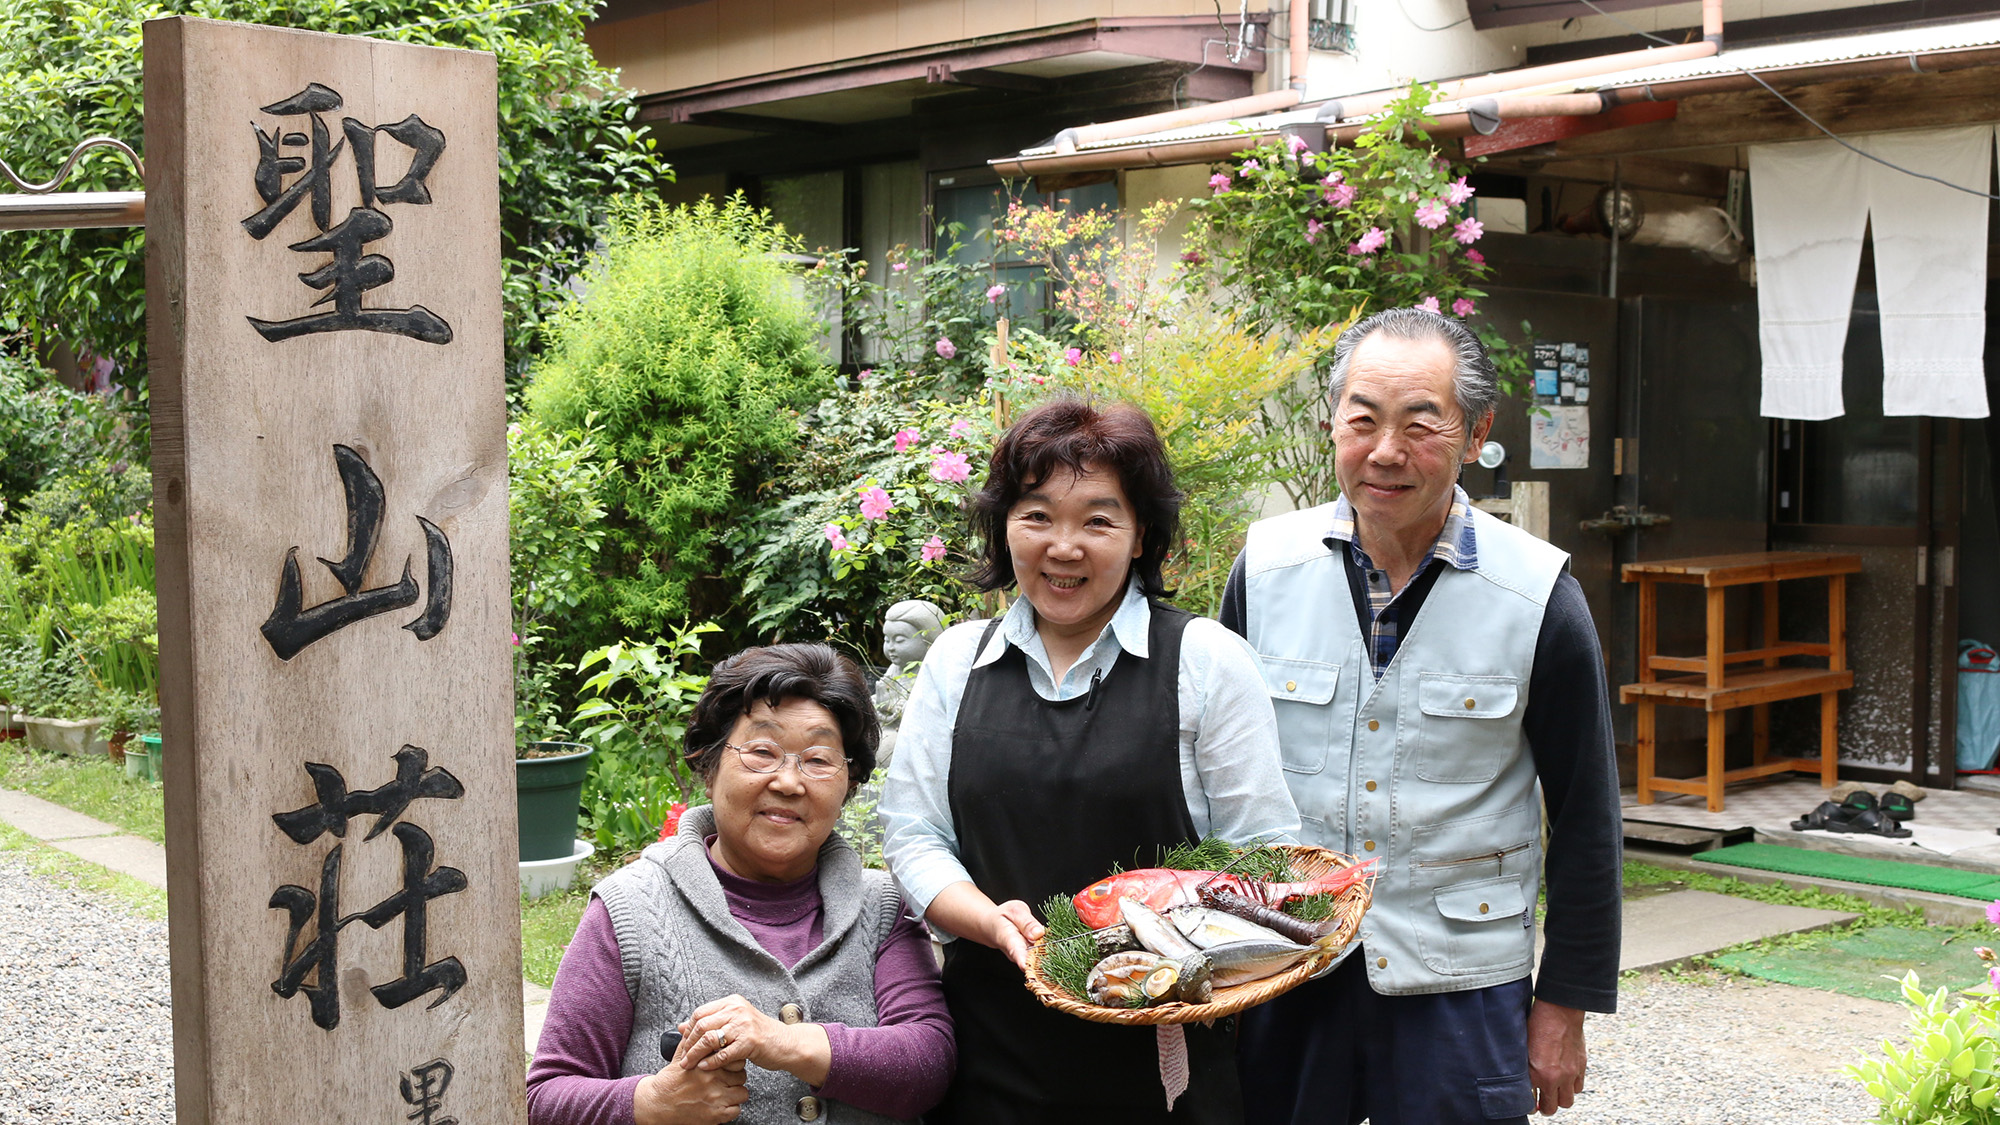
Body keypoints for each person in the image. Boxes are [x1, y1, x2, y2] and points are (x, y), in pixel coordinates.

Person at [1220, 307, 1622, 1124]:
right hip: (1283, 959)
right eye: (1362, 420)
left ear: (1475, 434)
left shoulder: (1540, 595)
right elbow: (1206, 773)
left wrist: (1565, 1004)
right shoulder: (1263, 570)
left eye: (1420, 424)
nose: (1386, 451)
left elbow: (1587, 815)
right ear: (1332, 424)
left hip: (1461, 979)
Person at [881, 397, 1301, 1125]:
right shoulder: (958, 661)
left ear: (1141, 535)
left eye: (1098, 520)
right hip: (991, 1063)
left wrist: (1175, 958)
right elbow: (914, 834)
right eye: (1037, 515)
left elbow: (1261, 856)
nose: (1063, 546)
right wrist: (989, 921)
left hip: (1169, 1062)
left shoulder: (1204, 661)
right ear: (1004, 524)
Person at [526, 643, 955, 1125]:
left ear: (848, 785)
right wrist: (650, 1103)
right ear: (708, 767)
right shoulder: (630, 910)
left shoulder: (881, 906)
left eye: (818, 760)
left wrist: (782, 1041)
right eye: (761, 752)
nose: (789, 782)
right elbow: (547, 1096)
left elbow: (929, 1062)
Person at [872, 599, 946, 767]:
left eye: (899, 640)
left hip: (913, 739)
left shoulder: (932, 671)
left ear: (928, 641)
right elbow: (881, 699)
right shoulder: (894, 669)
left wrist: (891, 707)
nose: (891, 647)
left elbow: (929, 713)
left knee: (888, 748)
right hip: (888, 730)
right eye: (887, 639)